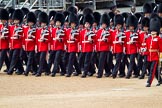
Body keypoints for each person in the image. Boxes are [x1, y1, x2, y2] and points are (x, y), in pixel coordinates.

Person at [145, 17, 162, 87]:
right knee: (154, 70)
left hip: (155, 56)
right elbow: (147, 48)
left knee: (152, 69)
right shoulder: (148, 39)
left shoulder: (159, 39)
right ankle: (160, 80)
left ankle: (149, 82)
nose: (152, 31)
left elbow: (161, 49)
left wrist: (160, 57)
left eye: (154, 30)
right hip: (150, 56)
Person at [7, 9, 24, 75]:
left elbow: (23, 36)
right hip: (12, 45)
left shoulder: (21, 27)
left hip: (18, 45)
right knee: (12, 57)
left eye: (17, 20)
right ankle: (21, 69)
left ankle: (10, 70)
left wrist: (19, 36)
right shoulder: (11, 27)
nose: (15, 21)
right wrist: (10, 44)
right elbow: (10, 36)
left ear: (19, 20)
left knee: (14, 57)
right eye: (15, 20)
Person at [79, 13, 95, 78]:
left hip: (89, 48)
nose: (86, 25)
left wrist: (91, 41)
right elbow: (80, 40)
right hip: (83, 48)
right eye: (86, 24)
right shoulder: (82, 31)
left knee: (87, 60)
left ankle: (85, 73)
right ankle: (92, 70)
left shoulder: (92, 31)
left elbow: (94, 40)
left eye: (88, 24)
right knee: (81, 59)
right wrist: (80, 47)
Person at [35, 12, 51, 77]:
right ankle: (47, 70)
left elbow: (49, 39)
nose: (43, 24)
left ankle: (39, 72)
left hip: (44, 47)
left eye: (44, 23)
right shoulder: (38, 30)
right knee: (41, 59)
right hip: (39, 46)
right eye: (42, 23)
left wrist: (44, 40)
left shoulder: (47, 31)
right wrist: (36, 46)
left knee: (41, 59)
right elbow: (36, 39)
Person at [51, 12, 66, 77]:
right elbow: (51, 38)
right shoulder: (53, 30)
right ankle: (64, 70)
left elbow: (64, 38)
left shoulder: (63, 30)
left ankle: (53, 72)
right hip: (54, 46)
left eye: (59, 22)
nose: (57, 23)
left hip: (60, 46)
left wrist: (60, 39)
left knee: (56, 59)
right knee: (59, 60)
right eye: (56, 22)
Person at [66, 13, 81, 77]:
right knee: (74, 60)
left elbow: (79, 39)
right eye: (72, 24)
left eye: (74, 24)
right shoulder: (68, 31)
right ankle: (78, 70)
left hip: (74, 47)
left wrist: (74, 39)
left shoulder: (77, 31)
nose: (73, 25)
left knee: (71, 59)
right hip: (69, 46)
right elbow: (66, 39)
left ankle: (69, 72)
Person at [95, 13, 111, 78]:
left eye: (104, 24)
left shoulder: (108, 31)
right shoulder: (99, 31)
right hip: (99, 47)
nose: (103, 25)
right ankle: (108, 71)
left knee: (101, 60)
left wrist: (106, 40)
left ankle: (100, 73)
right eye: (102, 24)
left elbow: (110, 39)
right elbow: (96, 40)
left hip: (104, 48)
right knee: (101, 60)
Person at [110, 14, 125, 78]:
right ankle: (122, 72)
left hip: (120, 48)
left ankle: (114, 73)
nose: (118, 26)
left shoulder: (123, 32)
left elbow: (125, 41)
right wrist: (112, 48)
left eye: (119, 25)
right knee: (118, 61)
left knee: (118, 61)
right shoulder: (113, 32)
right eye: (117, 25)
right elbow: (112, 41)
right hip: (115, 48)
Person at [23, 12, 37, 76]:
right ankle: (35, 70)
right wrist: (23, 45)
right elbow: (24, 37)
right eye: (29, 22)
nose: (30, 23)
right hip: (26, 46)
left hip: (32, 46)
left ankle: (27, 71)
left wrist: (32, 37)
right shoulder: (25, 29)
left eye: (31, 22)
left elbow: (37, 38)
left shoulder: (35, 29)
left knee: (30, 59)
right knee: (32, 59)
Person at [125, 15, 139, 79]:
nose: (131, 28)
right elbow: (125, 42)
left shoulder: (136, 33)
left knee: (131, 61)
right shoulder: (126, 33)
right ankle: (136, 72)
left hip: (133, 50)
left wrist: (134, 42)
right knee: (132, 62)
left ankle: (129, 74)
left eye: (132, 26)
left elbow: (138, 42)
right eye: (130, 26)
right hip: (128, 49)